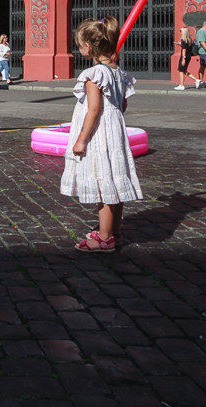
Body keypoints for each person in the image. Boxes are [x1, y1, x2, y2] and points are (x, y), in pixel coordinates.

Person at [60, 16, 142, 252]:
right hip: (115, 130)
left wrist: (81, 140)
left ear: (89, 46)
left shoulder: (93, 74)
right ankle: (113, 230)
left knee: (103, 182)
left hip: (99, 135)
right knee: (115, 179)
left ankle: (104, 239)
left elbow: (93, 110)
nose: (79, 48)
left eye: (79, 44)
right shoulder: (118, 72)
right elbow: (121, 105)